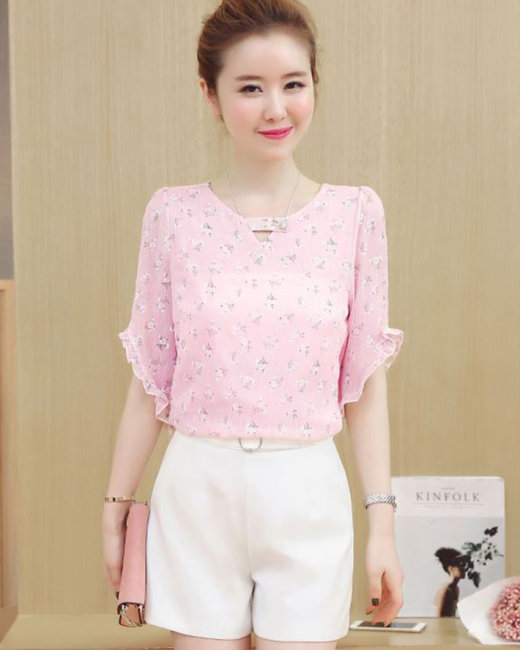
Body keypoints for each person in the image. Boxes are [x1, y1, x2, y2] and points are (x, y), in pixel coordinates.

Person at [102, 0, 405, 648]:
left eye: (293, 84)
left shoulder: (355, 215)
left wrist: (382, 523)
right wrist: (115, 507)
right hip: (196, 491)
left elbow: (365, 386)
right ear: (209, 94)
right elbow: (150, 381)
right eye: (250, 88)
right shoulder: (172, 216)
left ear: (314, 86)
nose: (276, 108)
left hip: (308, 492)